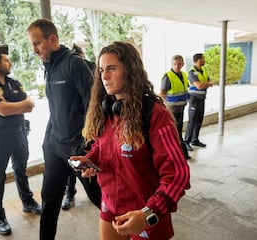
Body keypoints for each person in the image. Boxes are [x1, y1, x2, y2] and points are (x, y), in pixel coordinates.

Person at [70, 41, 190, 240]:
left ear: (130, 70)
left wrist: (148, 214)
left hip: (144, 213)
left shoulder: (155, 114)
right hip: (110, 204)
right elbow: (102, 146)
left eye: (111, 68)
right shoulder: (106, 111)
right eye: (101, 70)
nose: (104, 76)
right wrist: (90, 158)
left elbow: (178, 175)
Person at [26, 19, 101, 239]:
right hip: (55, 147)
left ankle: (128, 232)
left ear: (53, 39)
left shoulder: (73, 64)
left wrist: (87, 147)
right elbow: (57, 108)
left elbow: (92, 107)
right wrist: (48, 140)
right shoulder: (48, 68)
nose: (34, 49)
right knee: (49, 199)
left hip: (77, 148)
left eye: (37, 43)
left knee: (100, 198)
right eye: (32, 44)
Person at [0, 45, 42, 235]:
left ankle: (28, 202)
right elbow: (2, 110)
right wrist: (16, 105)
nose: (10, 62)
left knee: (21, 170)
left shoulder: (14, 83)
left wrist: (11, 104)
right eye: (6, 60)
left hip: (19, 133)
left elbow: (29, 105)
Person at [61, 43, 97, 211]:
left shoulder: (93, 68)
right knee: (73, 164)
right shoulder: (67, 70)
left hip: (88, 126)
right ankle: (70, 192)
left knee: (89, 162)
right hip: (73, 127)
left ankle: (96, 193)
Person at [160, 55, 190, 160]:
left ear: (182, 64)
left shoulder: (184, 75)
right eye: (175, 64)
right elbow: (162, 93)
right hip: (171, 110)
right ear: (172, 64)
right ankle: (176, 154)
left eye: (179, 64)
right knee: (174, 132)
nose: (177, 66)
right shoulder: (168, 76)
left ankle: (180, 153)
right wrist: (165, 107)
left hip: (181, 108)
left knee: (178, 131)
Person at [184, 53, 213, 151]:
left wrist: (206, 84)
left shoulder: (203, 71)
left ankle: (195, 140)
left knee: (199, 120)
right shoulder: (192, 72)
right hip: (194, 99)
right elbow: (199, 86)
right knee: (192, 121)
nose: (205, 60)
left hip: (202, 99)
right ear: (199, 60)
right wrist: (207, 84)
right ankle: (186, 142)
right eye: (203, 58)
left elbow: (210, 83)